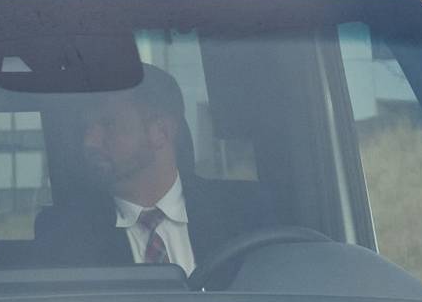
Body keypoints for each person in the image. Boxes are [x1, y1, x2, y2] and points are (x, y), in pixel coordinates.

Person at [30, 66, 272, 275]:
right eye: (86, 128)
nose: (89, 142)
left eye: (108, 124)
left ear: (160, 132)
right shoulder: (64, 234)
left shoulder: (245, 213)